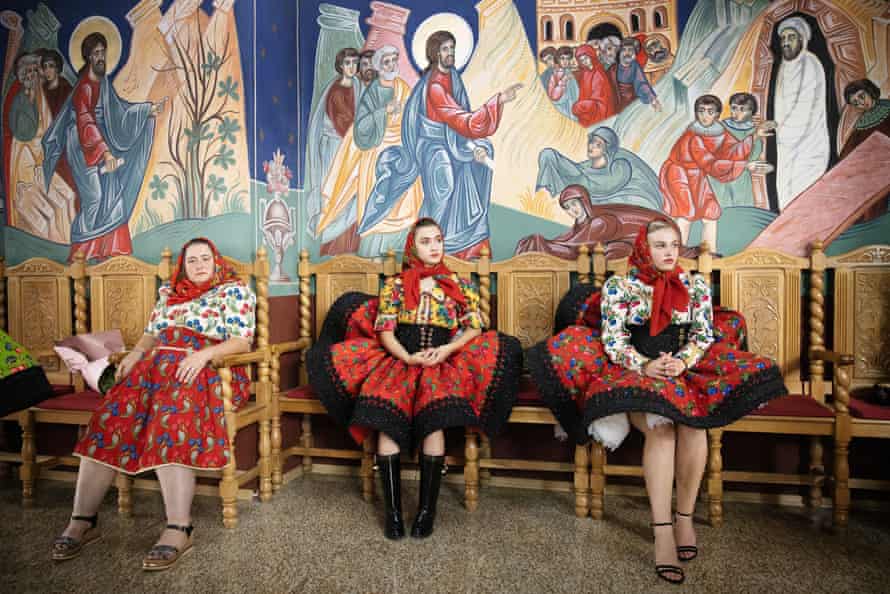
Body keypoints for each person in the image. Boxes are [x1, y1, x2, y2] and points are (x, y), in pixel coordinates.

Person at [527, 220, 787, 584]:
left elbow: (702, 335)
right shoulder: (620, 287)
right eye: (660, 245)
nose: (669, 252)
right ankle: (662, 531)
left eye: (674, 245)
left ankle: (684, 519)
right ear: (643, 249)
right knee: (662, 431)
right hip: (636, 371)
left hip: (683, 370)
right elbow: (614, 341)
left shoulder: (695, 286)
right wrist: (645, 365)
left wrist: (682, 362)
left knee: (695, 427)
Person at [306, 218, 522, 540]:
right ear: (412, 247)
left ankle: (426, 512)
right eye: (425, 241)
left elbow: (474, 328)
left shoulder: (459, 285)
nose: (434, 247)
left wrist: (447, 350)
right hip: (400, 359)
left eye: (438, 240)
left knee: (433, 422)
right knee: (386, 422)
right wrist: (406, 357)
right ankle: (393, 514)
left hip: (440, 361)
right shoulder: (395, 286)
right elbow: (385, 332)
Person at [51, 238, 256, 571]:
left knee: (170, 419)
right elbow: (152, 333)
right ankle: (83, 521)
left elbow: (242, 341)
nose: (200, 265)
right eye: (192, 260)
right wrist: (135, 354)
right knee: (108, 419)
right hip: (155, 368)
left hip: (207, 368)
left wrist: (203, 355)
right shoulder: (169, 294)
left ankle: (179, 528)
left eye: (205, 258)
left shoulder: (234, 291)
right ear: (183, 266)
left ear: (216, 262)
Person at [360, 31, 521, 259]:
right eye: (445, 49)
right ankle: (425, 246)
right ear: (435, 53)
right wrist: (498, 101)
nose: (450, 53)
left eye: (452, 48)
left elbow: (460, 121)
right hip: (431, 144)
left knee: (483, 153)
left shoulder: (454, 77)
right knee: (443, 185)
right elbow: (461, 119)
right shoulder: (434, 85)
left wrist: (472, 146)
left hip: (453, 140)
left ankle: (463, 245)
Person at [659, 94, 775, 251]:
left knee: (710, 213)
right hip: (678, 174)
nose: (705, 116)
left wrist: (754, 136)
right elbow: (711, 164)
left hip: (696, 175)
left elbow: (732, 150)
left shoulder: (719, 131)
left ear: (717, 114)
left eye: (710, 112)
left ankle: (710, 254)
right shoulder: (694, 137)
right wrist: (746, 166)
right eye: (701, 111)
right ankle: (678, 253)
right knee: (686, 214)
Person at [773, 16, 830, 211]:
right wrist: (775, 127)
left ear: (802, 39)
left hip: (808, 144)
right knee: (786, 195)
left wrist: (781, 133)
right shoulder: (783, 67)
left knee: (804, 194)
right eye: (783, 38)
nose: (786, 42)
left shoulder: (811, 63)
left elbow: (804, 107)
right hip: (785, 146)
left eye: (791, 37)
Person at [840, 79, 890, 221]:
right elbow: (848, 154)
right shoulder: (861, 124)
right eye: (856, 103)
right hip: (875, 172)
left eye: (862, 96)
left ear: (870, 90)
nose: (861, 103)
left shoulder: (888, 107)